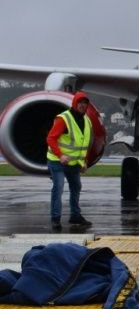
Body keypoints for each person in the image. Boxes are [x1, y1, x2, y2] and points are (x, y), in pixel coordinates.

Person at [46, 92, 94, 230]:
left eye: (85, 103)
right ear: (74, 104)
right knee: (59, 187)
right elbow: (50, 138)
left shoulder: (86, 121)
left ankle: (75, 216)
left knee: (76, 187)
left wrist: (84, 161)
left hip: (73, 163)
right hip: (57, 161)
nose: (83, 105)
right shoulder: (64, 119)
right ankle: (55, 218)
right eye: (80, 103)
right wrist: (60, 155)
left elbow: (85, 143)